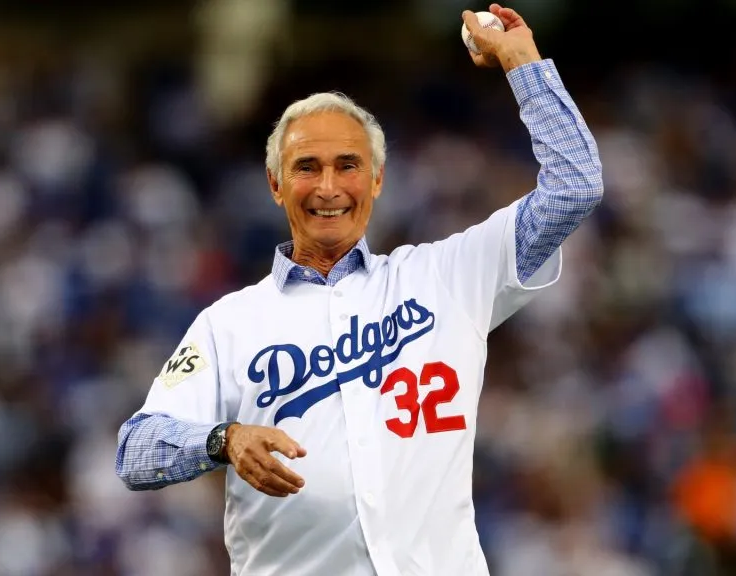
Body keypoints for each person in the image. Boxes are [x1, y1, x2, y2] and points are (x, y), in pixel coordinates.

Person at [116, 5, 603, 574]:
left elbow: (575, 188)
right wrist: (223, 440)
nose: (328, 187)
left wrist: (522, 61)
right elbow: (136, 450)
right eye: (306, 167)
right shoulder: (230, 323)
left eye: (348, 165)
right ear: (275, 183)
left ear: (377, 180)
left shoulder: (447, 275)